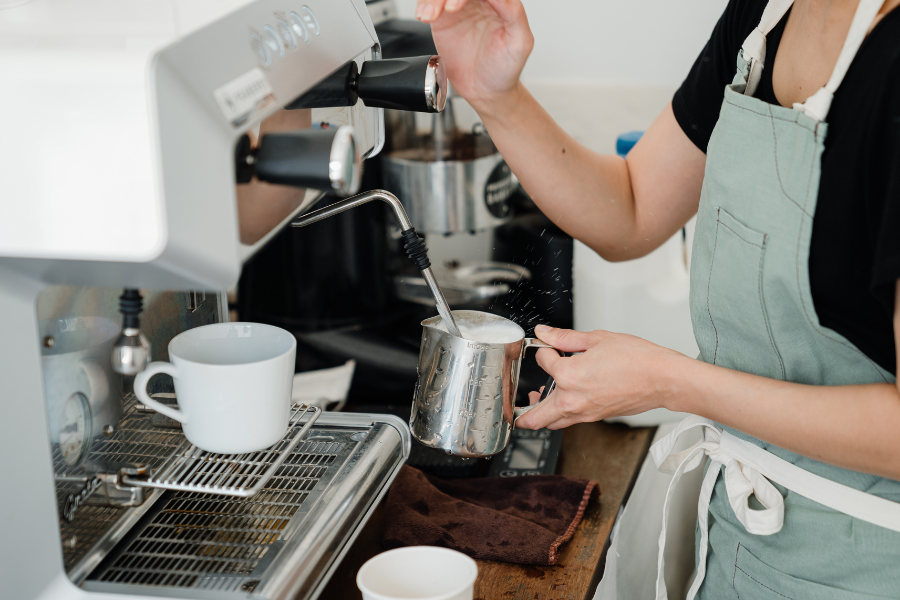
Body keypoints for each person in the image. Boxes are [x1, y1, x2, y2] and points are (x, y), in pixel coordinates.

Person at [415, 0, 900, 597]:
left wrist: (674, 382)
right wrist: (495, 94)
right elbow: (634, 205)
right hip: (747, 544)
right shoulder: (763, 18)